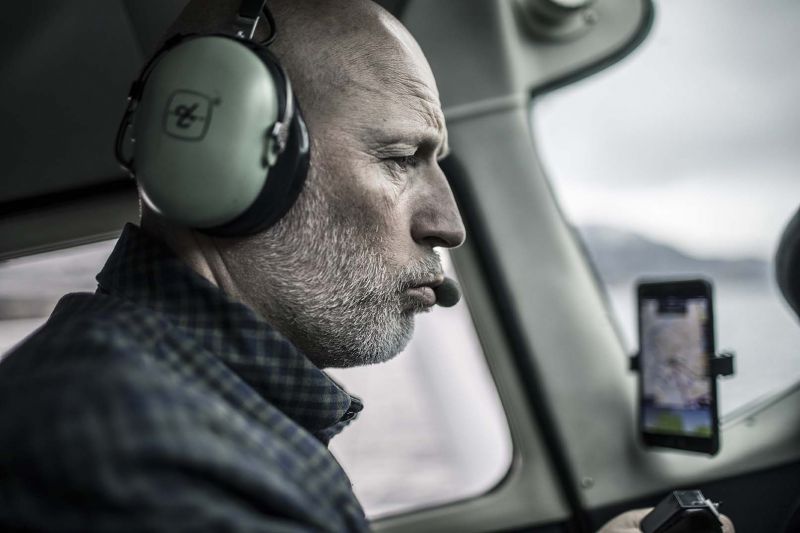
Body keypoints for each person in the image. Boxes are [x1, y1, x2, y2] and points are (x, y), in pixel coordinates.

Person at [0, 0, 733, 531]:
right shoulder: (132, 445)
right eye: (401, 158)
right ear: (224, 154)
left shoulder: (211, 407)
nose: (449, 223)